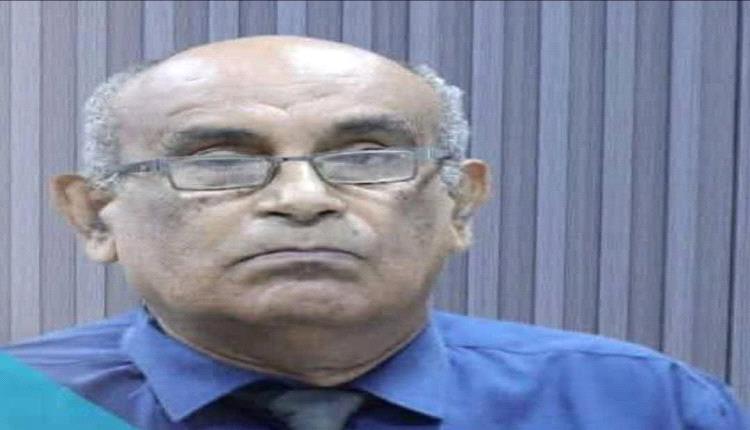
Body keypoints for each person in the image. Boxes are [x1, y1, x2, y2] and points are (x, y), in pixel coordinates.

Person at [1, 35, 746, 429]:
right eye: (221, 162)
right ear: (95, 214)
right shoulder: (21, 404)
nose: (303, 199)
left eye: (367, 157)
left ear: (461, 203)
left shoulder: (640, 405)